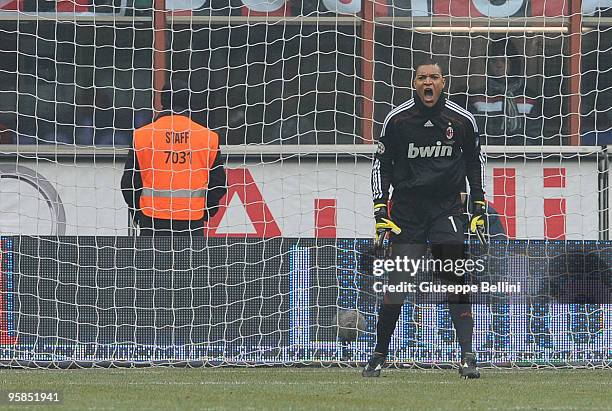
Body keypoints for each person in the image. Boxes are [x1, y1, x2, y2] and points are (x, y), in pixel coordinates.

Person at [364, 59, 486, 379]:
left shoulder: (462, 120)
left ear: (443, 83)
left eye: (434, 77)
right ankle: (378, 355)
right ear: (414, 83)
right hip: (407, 209)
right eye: (422, 78)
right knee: (399, 283)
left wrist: (479, 207)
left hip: (446, 207)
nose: (428, 82)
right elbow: (381, 166)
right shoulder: (398, 119)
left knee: (454, 276)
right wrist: (380, 210)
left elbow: (476, 163)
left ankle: (468, 356)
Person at [121, 79, 227, 236]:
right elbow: (219, 183)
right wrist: (205, 212)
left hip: (152, 221)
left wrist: (139, 213)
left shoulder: (143, 136)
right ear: (188, 101)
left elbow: (128, 183)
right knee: (190, 262)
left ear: (162, 100)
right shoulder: (207, 137)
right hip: (192, 222)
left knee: (153, 262)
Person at [469, 39, 543, 146]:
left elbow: (535, 135)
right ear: (487, 65)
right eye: (494, 61)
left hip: (524, 158)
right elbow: (476, 133)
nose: (499, 65)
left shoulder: (529, 98)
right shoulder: (478, 98)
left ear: (513, 64)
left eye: (504, 60)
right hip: (488, 155)